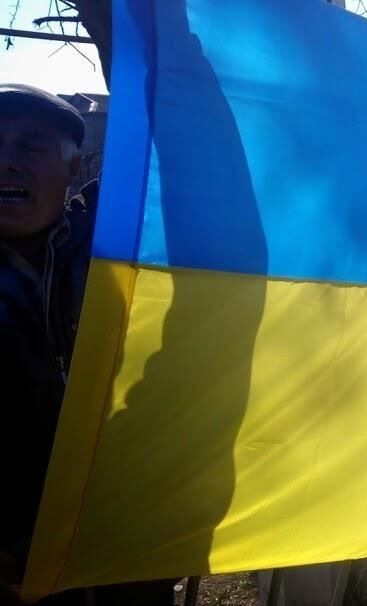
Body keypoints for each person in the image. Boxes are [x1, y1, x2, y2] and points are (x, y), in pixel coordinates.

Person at [0, 84, 175, 605]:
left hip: (125, 558)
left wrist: (107, 17)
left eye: (30, 146)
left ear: (75, 167)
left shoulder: (114, 247)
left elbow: (168, 137)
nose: (6, 163)